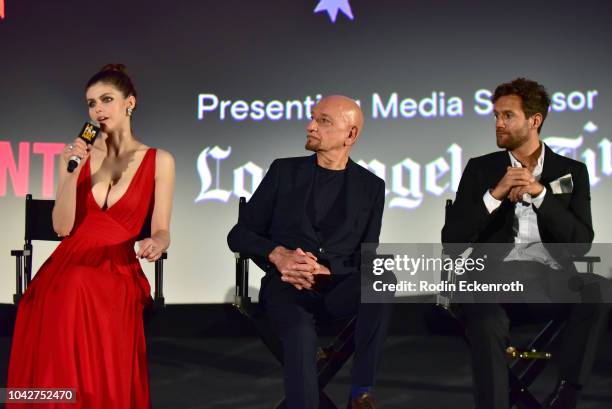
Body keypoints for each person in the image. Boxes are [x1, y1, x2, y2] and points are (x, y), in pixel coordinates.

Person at [7, 64, 175, 409]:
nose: (97, 110)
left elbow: (161, 228)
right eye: (90, 103)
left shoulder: (160, 161)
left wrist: (157, 242)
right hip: (69, 260)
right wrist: (69, 174)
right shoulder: (76, 156)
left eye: (106, 100)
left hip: (117, 264)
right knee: (70, 284)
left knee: (81, 283)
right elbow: (62, 227)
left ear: (130, 103)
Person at [442, 78, 609, 409]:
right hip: (494, 278)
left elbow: (580, 243)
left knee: (598, 290)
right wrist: (495, 194)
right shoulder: (481, 169)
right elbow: (452, 240)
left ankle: (567, 393)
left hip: (548, 279)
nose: (498, 123)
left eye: (507, 115)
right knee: (484, 316)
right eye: (495, 115)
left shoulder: (571, 171)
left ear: (535, 120)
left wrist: (540, 195)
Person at [227, 95, 391, 409]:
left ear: (350, 135)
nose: (310, 126)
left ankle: (361, 393)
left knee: (383, 275)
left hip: (337, 290)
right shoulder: (283, 172)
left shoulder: (371, 186)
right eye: (312, 117)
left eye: (323, 121)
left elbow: (366, 256)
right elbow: (239, 234)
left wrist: (329, 271)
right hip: (287, 289)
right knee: (301, 337)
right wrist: (278, 254)